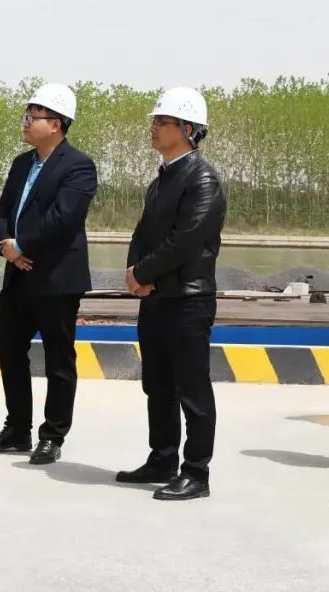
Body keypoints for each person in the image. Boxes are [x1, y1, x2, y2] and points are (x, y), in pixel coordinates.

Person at [117, 87, 226, 501]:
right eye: (155, 121)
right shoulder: (160, 180)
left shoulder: (202, 179)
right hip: (157, 297)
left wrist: (145, 273)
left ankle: (196, 472)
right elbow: (143, 233)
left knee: (191, 388)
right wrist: (134, 272)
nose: (153, 128)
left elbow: (187, 239)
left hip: (187, 298)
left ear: (187, 129)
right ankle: (162, 458)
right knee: (157, 384)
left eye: (161, 122)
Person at [0, 82, 97, 465]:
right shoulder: (21, 164)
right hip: (18, 275)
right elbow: (1, 210)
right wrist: (6, 246)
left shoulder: (78, 166)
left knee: (58, 360)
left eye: (34, 116)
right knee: (9, 352)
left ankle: (52, 435)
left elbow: (63, 218)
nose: (26, 122)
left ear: (57, 123)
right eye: (26, 115)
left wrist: (22, 245)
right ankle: (17, 429)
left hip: (56, 279)